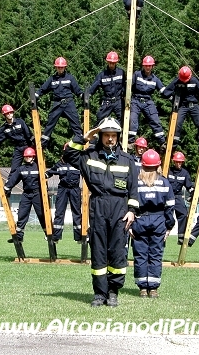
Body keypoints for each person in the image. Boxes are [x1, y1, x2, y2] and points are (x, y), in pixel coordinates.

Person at [63, 117, 139, 307]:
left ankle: (113, 292)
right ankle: (99, 294)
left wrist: (131, 211)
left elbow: (134, 189)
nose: (110, 139)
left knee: (117, 252)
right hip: (97, 207)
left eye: (114, 136)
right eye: (107, 135)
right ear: (101, 136)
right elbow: (69, 155)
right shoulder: (89, 156)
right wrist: (85, 137)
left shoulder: (127, 160)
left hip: (120, 209)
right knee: (98, 251)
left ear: (118, 137)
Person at [131, 149, 175, 299]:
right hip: (158, 221)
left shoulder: (135, 182)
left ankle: (143, 289)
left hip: (139, 221)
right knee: (156, 256)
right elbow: (170, 206)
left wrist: (130, 225)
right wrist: (169, 226)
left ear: (142, 165)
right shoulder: (165, 182)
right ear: (158, 165)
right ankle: (154, 290)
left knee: (140, 255)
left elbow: (128, 204)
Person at [162, 66, 199, 153]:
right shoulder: (177, 81)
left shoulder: (194, 81)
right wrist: (172, 99)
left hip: (194, 105)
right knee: (177, 124)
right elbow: (166, 92)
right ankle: (172, 146)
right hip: (182, 106)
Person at [35, 57, 84, 149]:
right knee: (50, 122)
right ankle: (44, 143)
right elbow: (43, 89)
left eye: (62, 67)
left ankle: (81, 141)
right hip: (57, 104)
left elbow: (78, 91)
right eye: (58, 67)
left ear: (65, 67)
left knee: (75, 122)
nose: (60, 69)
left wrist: (83, 96)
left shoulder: (70, 78)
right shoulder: (52, 79)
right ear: (56, 68)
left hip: (69, 103)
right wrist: (36, 95)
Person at [3, 147, 46, 243]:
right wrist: (6, 188)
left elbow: (44, 181)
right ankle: (19, 236)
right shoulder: (21, 169)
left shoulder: (39, 167)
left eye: (29, 156)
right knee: (22, 214)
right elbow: (13, 179)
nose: (28, 158)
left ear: (33, 157)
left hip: (37, 194)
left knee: (41, 214)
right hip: (26, 194)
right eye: (26, 157)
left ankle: (48, 234)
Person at [128, 56, 166, 148]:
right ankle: (130, 142)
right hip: (136, 100)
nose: (148, 67)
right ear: (143, 66)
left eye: (149, 66)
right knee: (133, 120)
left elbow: (164, 91)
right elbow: (128, 86)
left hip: (148, 102)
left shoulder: (155, 79)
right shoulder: (137, 74)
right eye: (146, 66)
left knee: (155, 120)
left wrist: (173, 97)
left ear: (152, 66)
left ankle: (162, 143)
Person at [45, 147, 82, 243]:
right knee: (59, 212)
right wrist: (42, 175)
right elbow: (50, 172)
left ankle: (79, 236)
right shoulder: (60, 163)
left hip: (74, 189)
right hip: (63, 189)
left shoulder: (79, 162)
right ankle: (56, 236)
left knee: (77, 213)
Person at [0, 104, 35, 177]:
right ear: (4, 115)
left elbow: (28, 133)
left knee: (34, 165)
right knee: (14, 169)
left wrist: (34, 144)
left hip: (27, 146)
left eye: (11, 112)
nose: (9, 114)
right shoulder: (4, 128)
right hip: (18, 148)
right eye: (7, 113)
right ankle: (8, 185)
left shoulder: (20, 122)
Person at [89, 51, 126, 124]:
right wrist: (87, 95)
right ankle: (98, 134)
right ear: (107, 62)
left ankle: (120, 134)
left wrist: (125, 96)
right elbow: (93, 87)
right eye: (110, 62)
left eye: (113, 63)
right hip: (107, 101)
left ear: (116, 62)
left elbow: (125, 86)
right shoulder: (102, 75)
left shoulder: (121, 73)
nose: (111, 64)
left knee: (124, 118)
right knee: (100, 117)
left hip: (118, 101)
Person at [167, 151, 194, 245]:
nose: (178, 163)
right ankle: (163, 234)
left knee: (183, 214)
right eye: (177, 162)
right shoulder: (168, 170)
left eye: (180, 162)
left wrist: (193, 194)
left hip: (177, 196)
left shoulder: (185, 173)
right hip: (167, 196)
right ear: (173, 161)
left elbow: (189, 186)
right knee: (165, 215)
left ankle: (181, 237)